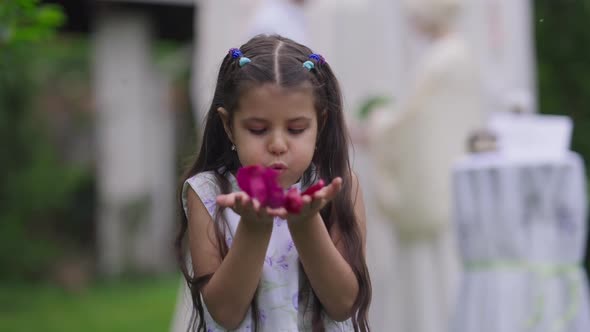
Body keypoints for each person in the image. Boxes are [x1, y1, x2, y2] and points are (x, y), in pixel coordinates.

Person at [175, 34, 371, 332]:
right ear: (229, 126)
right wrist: (254, 227)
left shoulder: (338, 187)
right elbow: (225, 313)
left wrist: (305, 223)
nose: (278, 144)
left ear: (320, 124)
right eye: (257, 129)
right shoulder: (207, 193)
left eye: (296, 129)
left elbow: (343, 304)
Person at [366, 0, 484, 331]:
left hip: (428, 185)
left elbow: (414, 124)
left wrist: (378, 125)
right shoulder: (460, 54)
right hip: (450, 180)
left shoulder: (438, 61)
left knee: (426, 281)